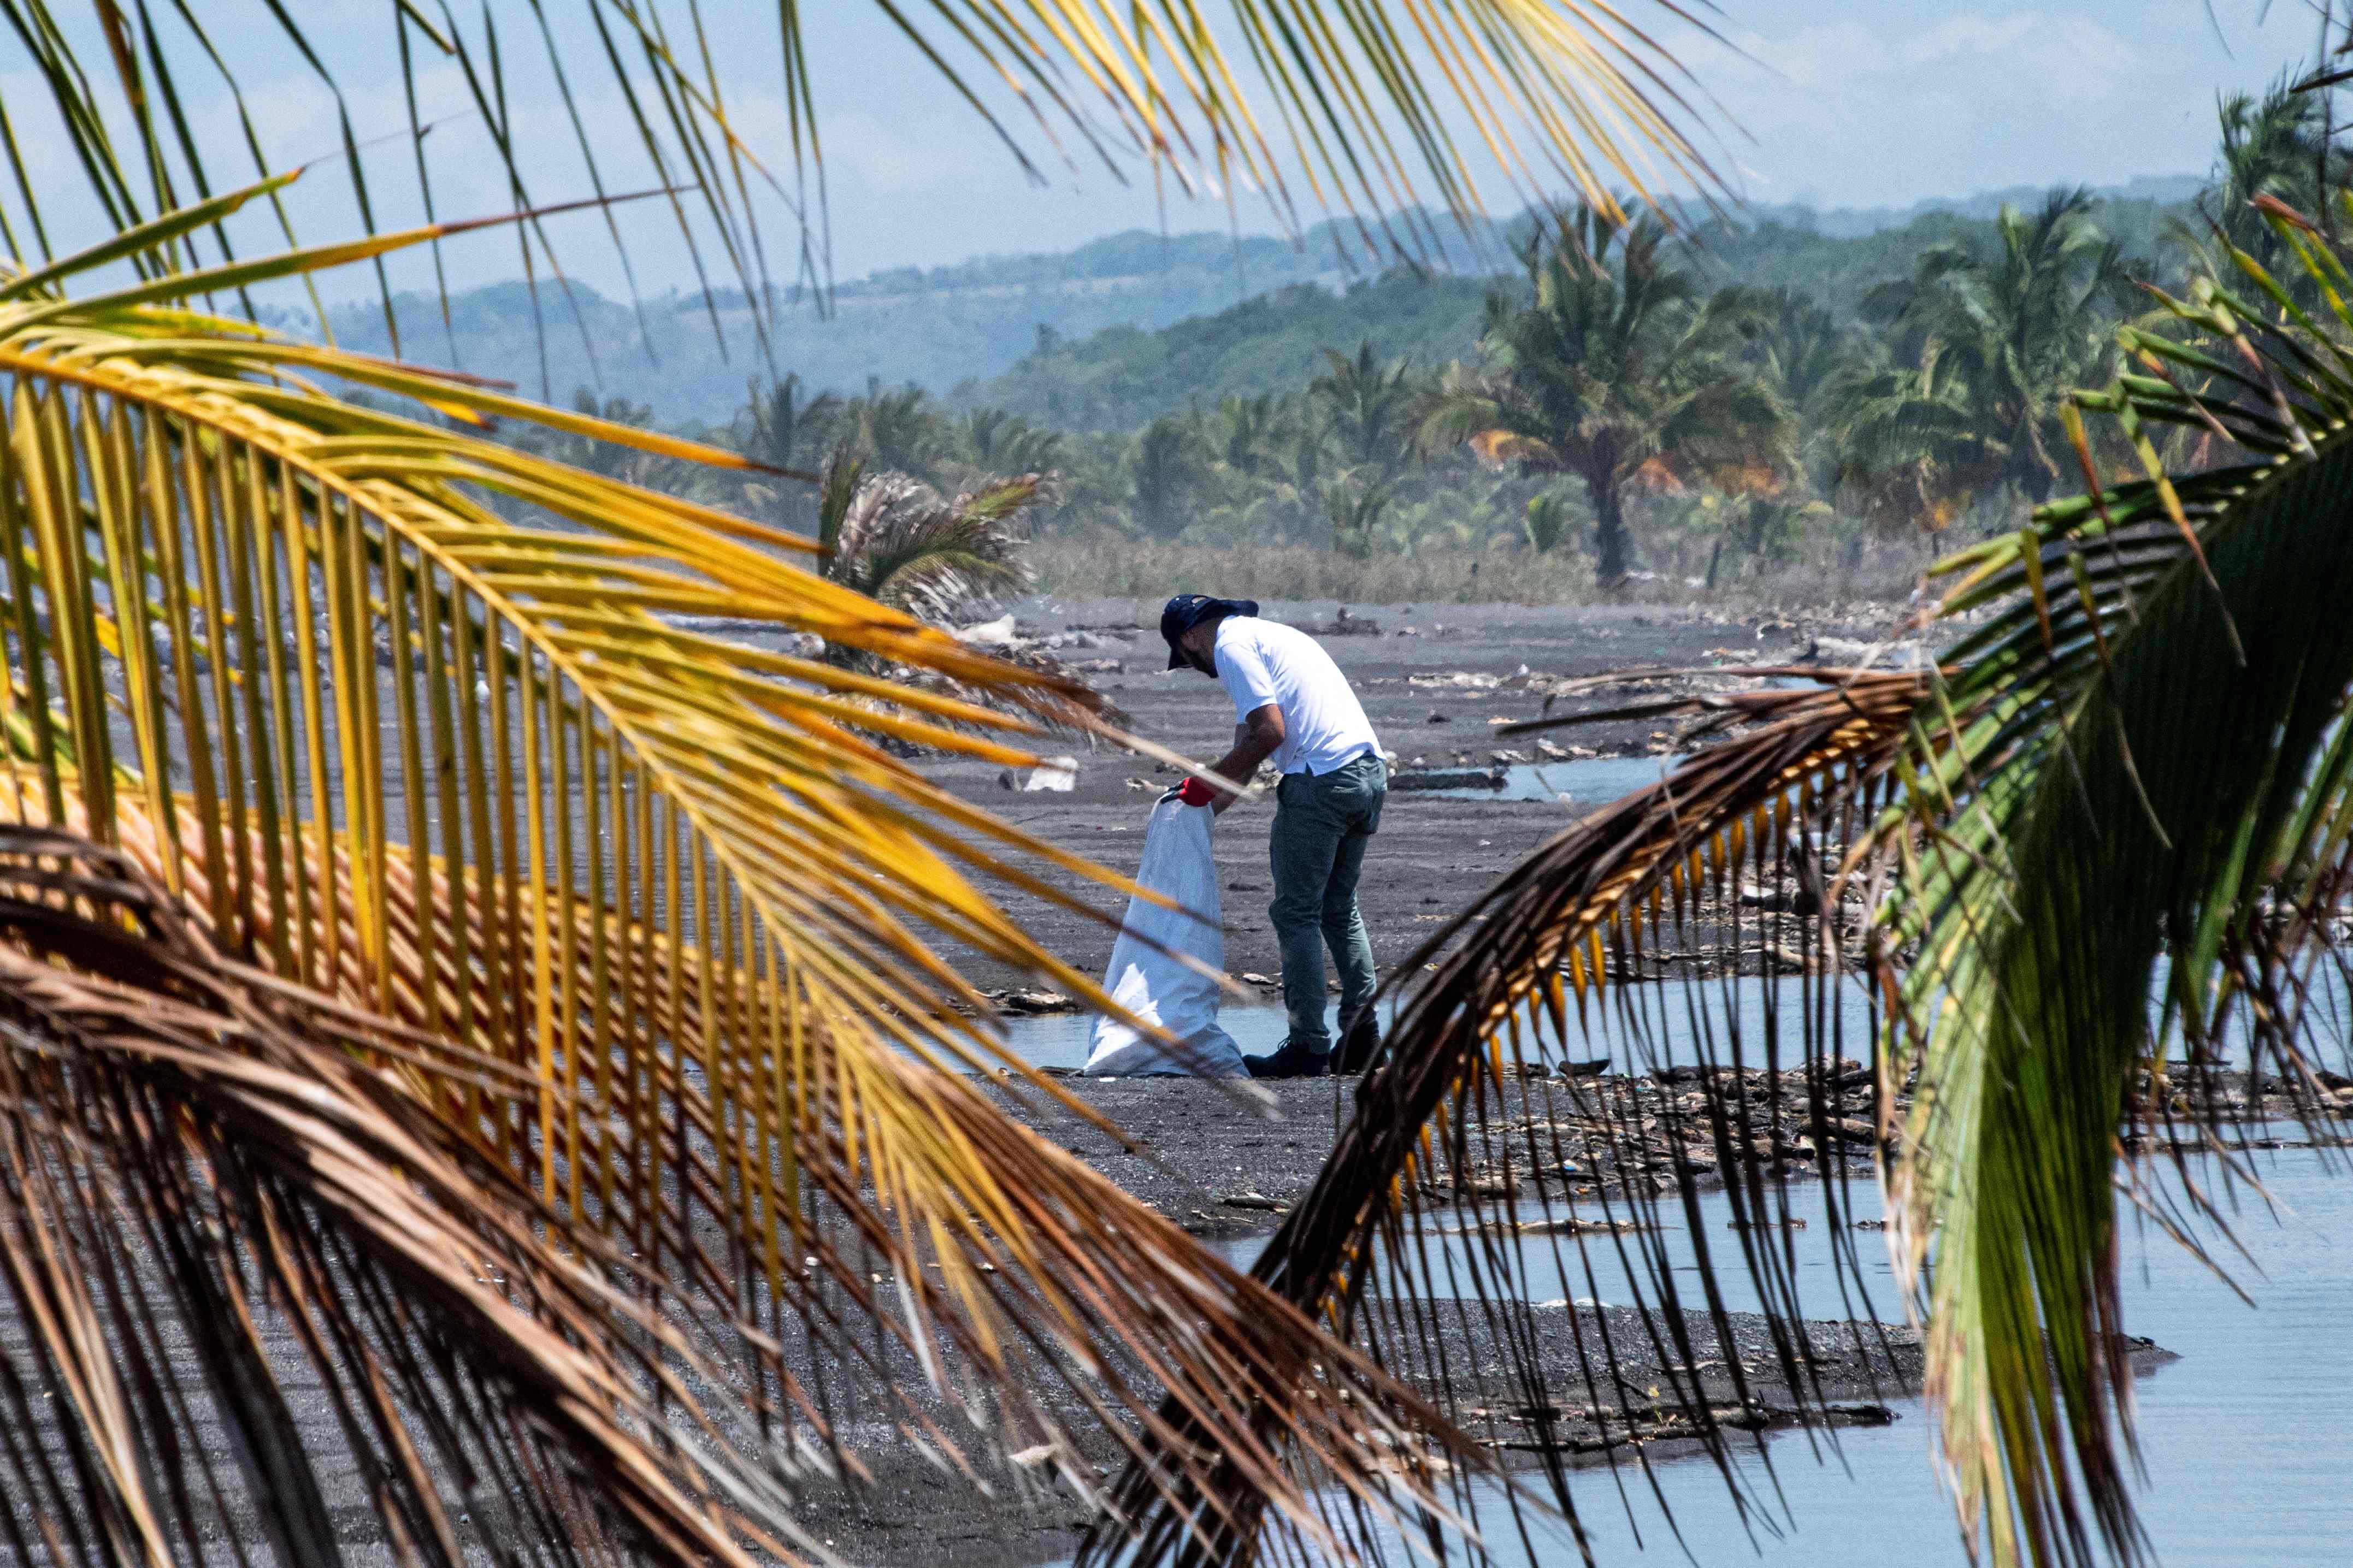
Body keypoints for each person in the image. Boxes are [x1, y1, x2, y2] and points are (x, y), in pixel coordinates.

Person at [1159, 594, 1385, 1078]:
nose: (1199, 669)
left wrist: (1199, 785)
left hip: (1320, 781)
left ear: (1190, 637)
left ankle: (1307, 1045)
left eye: (1187, 659)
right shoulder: (1268, 637)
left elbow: (1270, 734)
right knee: (1338, 908)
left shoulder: (1231, 646)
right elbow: (1249, 745)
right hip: (1367, 773)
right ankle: (1365, 1040)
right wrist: (1201, 813)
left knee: (1296, 912)